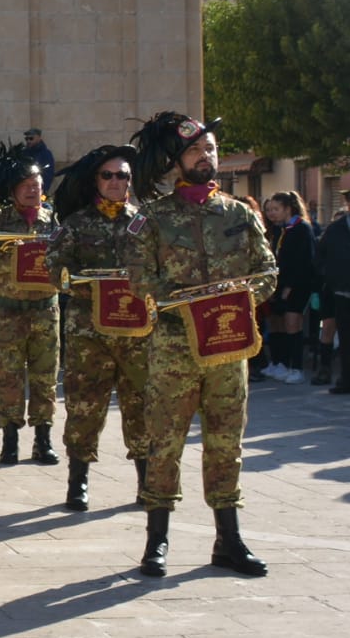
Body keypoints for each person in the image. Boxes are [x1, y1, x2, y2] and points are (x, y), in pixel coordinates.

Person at [126, 112, 276, 578]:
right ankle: (157, 540)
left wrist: (237, 300)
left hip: (228, 347)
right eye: (195, 151)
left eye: (210, 150)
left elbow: (267, 271)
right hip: (173, 348)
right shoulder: (152, 218)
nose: (206, 157)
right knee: (164, 443)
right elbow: (138, 279)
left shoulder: (239, 213)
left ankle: (228, 539)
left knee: (226, 442)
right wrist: (179, 301)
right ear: (177, 161)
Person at [45, 145, 151, 511]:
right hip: (89, 333)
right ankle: (79, 481)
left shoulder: (144, 223)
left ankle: (146, 480)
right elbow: (53, 267)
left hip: (138, 334)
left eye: (122, 175)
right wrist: (83, 282)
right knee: (84, 406)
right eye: (108, 175)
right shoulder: (76, 224)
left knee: (141, 405)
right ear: (96, 181)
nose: (115, 182)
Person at [0, 148, 62, 466]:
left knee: (44, 376)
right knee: (9, 376)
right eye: (25, 184)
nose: (32, 188)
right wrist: (12, 258)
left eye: (36, 183)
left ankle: (43, 439)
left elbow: (65, 258)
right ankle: (10, 438)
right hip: (8, 310)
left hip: (44, 309)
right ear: (13, 190)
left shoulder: (53, 220)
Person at [260, 191, 315, 385]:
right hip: (279, 283)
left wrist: (288, 287)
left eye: (276, 209)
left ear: (287, 208)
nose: (271, 213)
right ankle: (280, 362)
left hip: (298, 285)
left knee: (293, 323)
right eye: (269, 210)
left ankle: (296, 367)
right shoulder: (279, 230)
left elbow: (302, 262)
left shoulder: (302, 229)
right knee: (277, 323)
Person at [317, 187, 350, 394]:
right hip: (343, 293)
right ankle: (346, 380)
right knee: (346, 338)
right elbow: (320, 258)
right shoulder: (335, 229)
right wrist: (332, 280)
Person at [22, 128, 56, 192]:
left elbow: (49, 174)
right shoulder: (24, 153)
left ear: (39, 138)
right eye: (26, 139)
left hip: (39, 189)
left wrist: (43, 189)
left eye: (31, 138)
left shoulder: (45, 154)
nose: (28, 141)